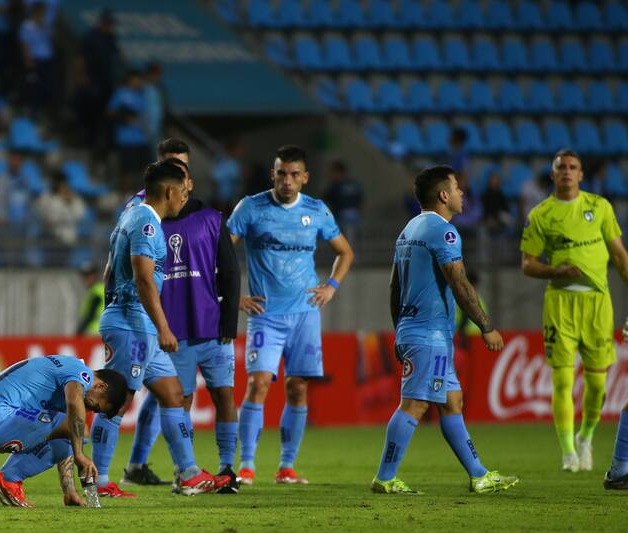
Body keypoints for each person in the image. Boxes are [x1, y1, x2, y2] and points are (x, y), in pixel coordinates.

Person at [371, 165, 518, 494]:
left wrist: (399, 329)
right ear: (443, 195)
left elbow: (395, 286)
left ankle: (479, 475)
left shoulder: (409, 229)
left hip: (416, 330)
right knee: (415, 405)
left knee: (452, 402)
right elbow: (459, 282)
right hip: (429, 334)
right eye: (457, 188)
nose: (462, 193)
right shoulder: (444, 232)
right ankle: (385, 477)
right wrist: (486, 326)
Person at [90, 160, 231, 497]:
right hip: (133, 324)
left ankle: (189, 473)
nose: (185, 198)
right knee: (116, 401)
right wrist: (163, 327)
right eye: (182, 192)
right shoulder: (146, 223)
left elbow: (110, 270)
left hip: (138, 324)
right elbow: (143, 278)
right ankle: (98, 480)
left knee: (173, 394)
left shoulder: (133, 214)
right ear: (169, 191)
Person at [227, 145, 354, 485]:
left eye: (294, 174)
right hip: (265, 314)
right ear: (273, 174)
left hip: (305, 315)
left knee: (297, 388)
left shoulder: (317, 210)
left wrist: (331, 286)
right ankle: (247, 465)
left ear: (305, 177)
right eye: (282, 173)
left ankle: (286, 466)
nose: (287, 180)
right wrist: (234, 297)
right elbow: (219, 253)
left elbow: (345, 252)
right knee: (258, 384)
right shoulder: (250, 208)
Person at [521, 149, 628, 473]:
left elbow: (620, 256)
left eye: (572, 167)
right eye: (561, 167)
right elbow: (528, 264)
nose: (567, 171)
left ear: (581, 175)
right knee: (562, 381)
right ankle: (568, 452)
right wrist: (556, 271)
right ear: (553, 175)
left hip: (597, 304)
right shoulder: (541, 214)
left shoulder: (600, 207)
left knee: (597, 386)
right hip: (560, 304)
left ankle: (586, 436)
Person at [0, 355, 128, 507]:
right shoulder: (81, 372)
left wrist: (69, 492)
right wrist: (80, 455)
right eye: (93, 406)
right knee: (80, 428)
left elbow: (67, 436)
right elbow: (74, 404)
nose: (88, 411)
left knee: (73, 430)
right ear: (101, 386)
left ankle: (10, 480)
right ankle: (9, 479)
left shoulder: (63, 373)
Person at [35, 172, 85, 267]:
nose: (62, 186)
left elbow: (80, 215)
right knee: (51, 263)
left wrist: (69, 202)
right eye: (59, 183)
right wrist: (46, 220)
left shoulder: (74, 198)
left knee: (64, 263)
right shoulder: (47, 197)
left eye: (63, 184)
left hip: (67, 237)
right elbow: (41, 213)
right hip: (51, 236)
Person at [76, 261, 105, 336]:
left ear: (95, 276)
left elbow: (90, 315)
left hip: (96, 334)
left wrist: (78, 333)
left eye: (89, 275)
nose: (86, 279)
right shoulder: (99, 289)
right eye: (85, 276)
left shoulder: (97, 292)